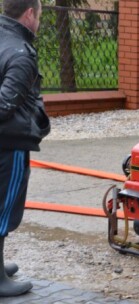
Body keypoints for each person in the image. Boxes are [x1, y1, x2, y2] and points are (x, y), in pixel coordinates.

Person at [0, 0, 50, 296]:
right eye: (40, 15)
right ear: (29, 13)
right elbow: (5, 105)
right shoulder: (20, 53)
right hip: (10, 144)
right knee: (4, 209)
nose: (39, 22)